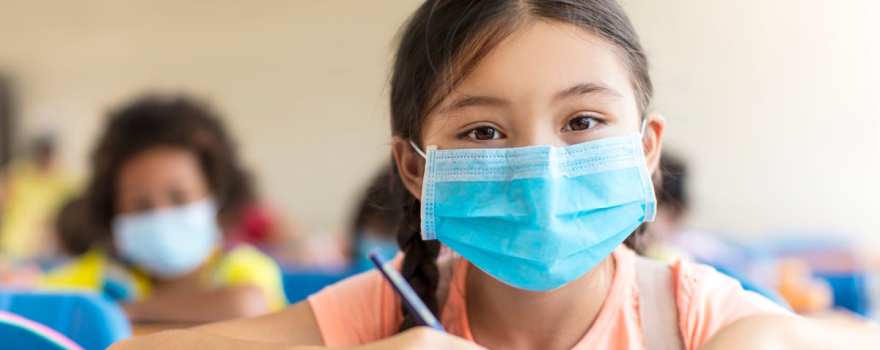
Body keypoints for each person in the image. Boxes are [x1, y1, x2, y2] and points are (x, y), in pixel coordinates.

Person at [114, 1, 880, 349]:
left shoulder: (697, 323)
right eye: (483, 131)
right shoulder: (386, 314)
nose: (540, 168)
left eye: (582, 122)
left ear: (646, 148)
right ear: (415, 168)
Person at [40, 95, 287, 322]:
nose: (160, 215)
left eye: (179, 198)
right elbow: (35, 293)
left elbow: (246, 306)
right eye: (140, 205)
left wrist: (130, 310)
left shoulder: (243, 267)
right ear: (112, 211)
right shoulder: (102, 275)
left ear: (216, 197)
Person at [0, 134, 75, 260]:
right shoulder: (19, 173)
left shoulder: (63, 181)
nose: (44, 158)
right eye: (42, 153)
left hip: (42, 251)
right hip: (12, 246)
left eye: (47, 153)